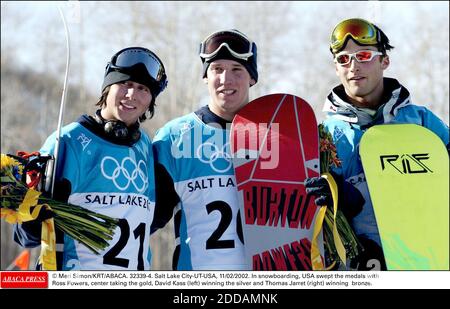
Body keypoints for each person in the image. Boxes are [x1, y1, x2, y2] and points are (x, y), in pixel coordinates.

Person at [306, 18, 449, 270]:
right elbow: (311, 218)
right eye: (343, 59)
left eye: (363, 55)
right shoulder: (323, 136)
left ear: (385, 61)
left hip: (423, 259)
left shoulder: (421, 121)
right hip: (358, 264)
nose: (353, 66)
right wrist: (338, 201)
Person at [14, 46, 168, 270]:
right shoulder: (67, 141)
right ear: (107, 87)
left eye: (142, 88)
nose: (132, 94)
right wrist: (37, 212)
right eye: (125, 83)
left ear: (150, 101)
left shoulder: (145, 146)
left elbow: (149, 220)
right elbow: (24, 236)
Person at [151, 29, 258, 270]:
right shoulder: (174, 138)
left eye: (237, 70)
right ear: (205, 77)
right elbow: (141, 216)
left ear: (252, 78)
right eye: (217, 69)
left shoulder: (278, 135)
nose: (225, 79)